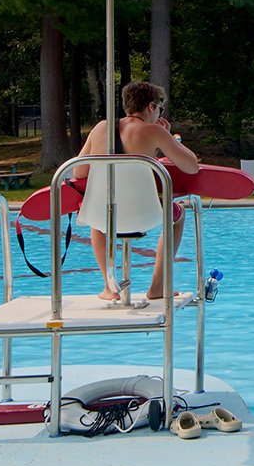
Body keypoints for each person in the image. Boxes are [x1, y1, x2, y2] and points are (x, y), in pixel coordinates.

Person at [75, 81, 199, 303]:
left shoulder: (101, 128)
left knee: (98, 219)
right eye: (159, 109)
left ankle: (109, 286)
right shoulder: (153, 131)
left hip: (104, 218)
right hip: (146, 215)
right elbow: (191, 166)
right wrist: (169, 137)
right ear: (151, 106)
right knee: (178, 214)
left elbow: (79, 171)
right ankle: (158, 286)